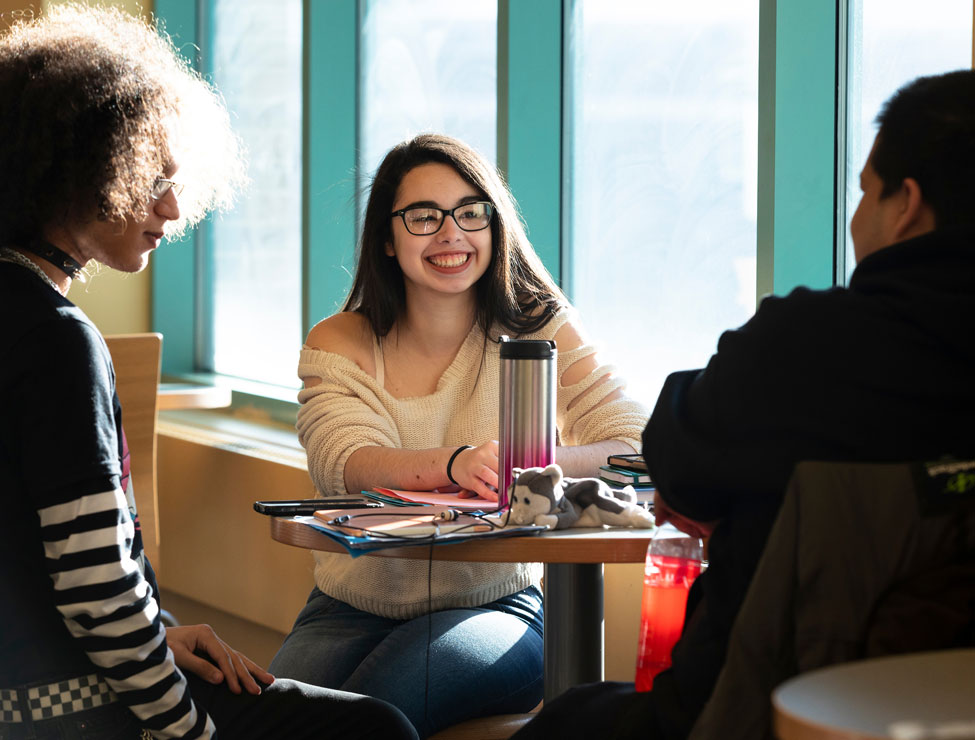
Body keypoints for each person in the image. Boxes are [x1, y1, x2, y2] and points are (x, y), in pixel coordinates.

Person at [511, 68, 975, 740]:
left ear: (905, 203)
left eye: (863, 194)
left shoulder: (809, 350)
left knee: (561, 723)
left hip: (739, 709)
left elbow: (675, 461)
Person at [0, 6, 419, 739]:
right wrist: (182, 726)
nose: (171, 206)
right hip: (53, 702)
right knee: (376, 729)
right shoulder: (55, 339)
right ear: (76, 165)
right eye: (150, 177)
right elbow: (94, 588)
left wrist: (158, 630)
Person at [268, 133, 649, 737]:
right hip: (348, 607)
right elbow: (345, 461)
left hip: (500, 605)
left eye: (471, 213)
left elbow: (632, 446)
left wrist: (525, 466)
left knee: (370, 714)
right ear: (387, 241)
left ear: (494, 226)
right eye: (424, 217)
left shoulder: (540, 325)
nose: (451, 233)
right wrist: (456, 464)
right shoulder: (339, 339)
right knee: (266, 724)